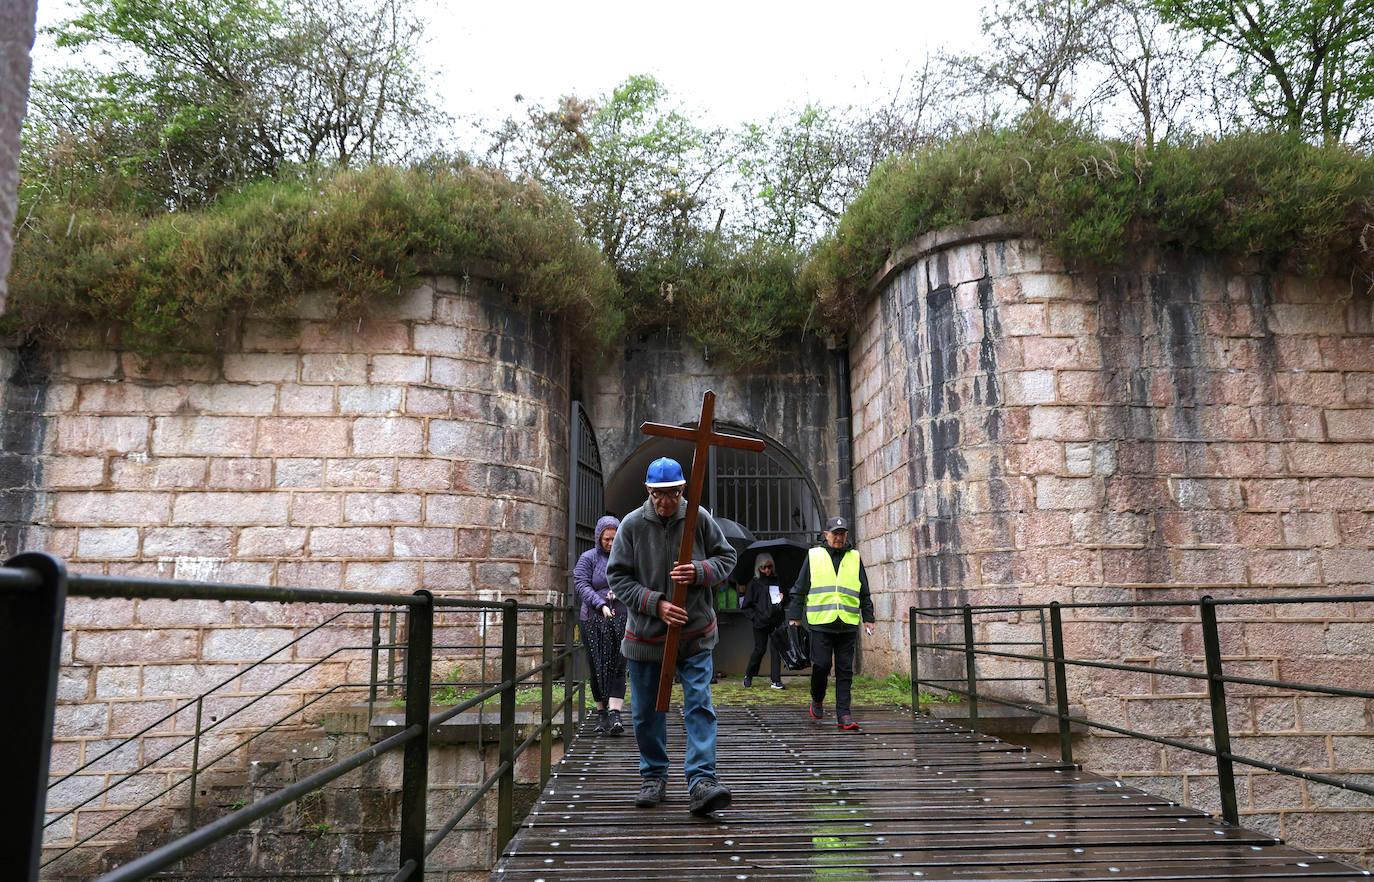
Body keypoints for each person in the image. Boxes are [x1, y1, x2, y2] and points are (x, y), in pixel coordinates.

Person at [608, 456, 738, 816]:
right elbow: (617, 576)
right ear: (648, 491)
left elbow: (727, 559)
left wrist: (699, 571)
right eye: (660, 495)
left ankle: (701, 781)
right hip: (646, 637)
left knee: (699, 705)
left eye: (674, 494)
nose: (667, 502)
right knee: (646, 712)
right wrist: (656, 603)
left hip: (694, 634)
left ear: (684, 490)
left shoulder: (699, 519)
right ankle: (653, 776)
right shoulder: (632, 526)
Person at [787, 516, 875, 731]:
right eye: (835, 533)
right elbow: (800, 587)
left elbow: (864, 589)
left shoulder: (854, 557)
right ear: (825, 535)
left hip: (847, 622)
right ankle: (817, 698)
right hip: (821, 623)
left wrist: (869, 617)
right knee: (822, 665)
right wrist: (795, 616)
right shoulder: (814, 555)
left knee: (845, 670)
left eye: (842, 533)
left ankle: (844, 714)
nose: (838, 537)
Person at [573, 515, 627, 735]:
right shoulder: (588, 558)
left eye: (615, 538)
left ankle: (616, 715)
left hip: (621, 616)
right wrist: (601, 602)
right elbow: (581, 583)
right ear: (598, 537)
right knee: (596, 666)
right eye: (606, 539)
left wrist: (620, 592)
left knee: (618, 666)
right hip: (593, 619)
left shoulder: (626, 557)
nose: (611, 543)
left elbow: (634, 580)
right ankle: (601, 713)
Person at [739, 553, 786, 689]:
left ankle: (776, 680)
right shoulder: (754, 583)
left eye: (769, 567)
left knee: (776, 649)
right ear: (758, 568)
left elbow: (786, 598)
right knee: (760, 649)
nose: (767, 570)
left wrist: (783, 599)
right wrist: (755, 617)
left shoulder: (777, 580)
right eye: (763, 567)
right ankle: (749, 675)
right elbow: (746, 606)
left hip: (776, 620)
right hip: (760, 622)